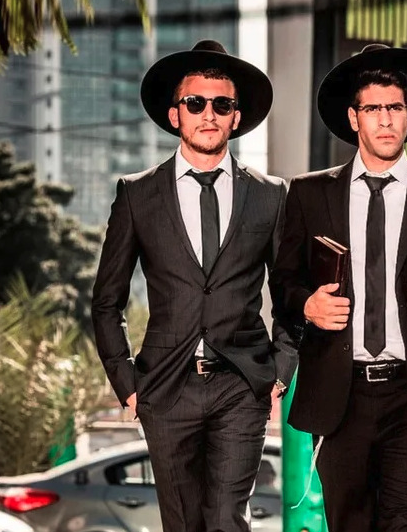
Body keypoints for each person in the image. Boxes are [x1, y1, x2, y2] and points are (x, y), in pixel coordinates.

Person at [91, 39, 297, 532]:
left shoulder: (270, 195)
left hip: (241, 384)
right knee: (182, 524)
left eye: (221, 104)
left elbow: (291, 294)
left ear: (236, 117)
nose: (209, 114)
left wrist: (280, 371)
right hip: (164, 386)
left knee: (228, 520)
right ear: (175, 114)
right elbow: (106, 302)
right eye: (195, 102)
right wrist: (127, 385)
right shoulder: (138, 194)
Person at [272, 43, 407, 532]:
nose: (385, 120)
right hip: (339, 394)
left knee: (406, 523)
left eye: (394, 108)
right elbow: (283, 282)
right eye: (373, 109)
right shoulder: (309, 193)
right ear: (354, 118)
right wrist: (306, 304)